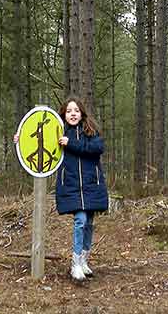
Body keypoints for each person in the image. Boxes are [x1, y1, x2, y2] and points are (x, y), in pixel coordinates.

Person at [54, 97, 108, 281]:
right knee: (80, 220)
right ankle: (75, 264)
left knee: (89, 223)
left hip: (92, 184)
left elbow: (97, 148)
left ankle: (84, 260)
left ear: (82, 112)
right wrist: (19, 140)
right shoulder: (59, 131)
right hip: (71, 184)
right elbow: (40, 141)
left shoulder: (90, 130)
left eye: (76, 110)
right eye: (69, 111)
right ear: (64, 114)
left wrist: (71, 144)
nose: (73, 114)